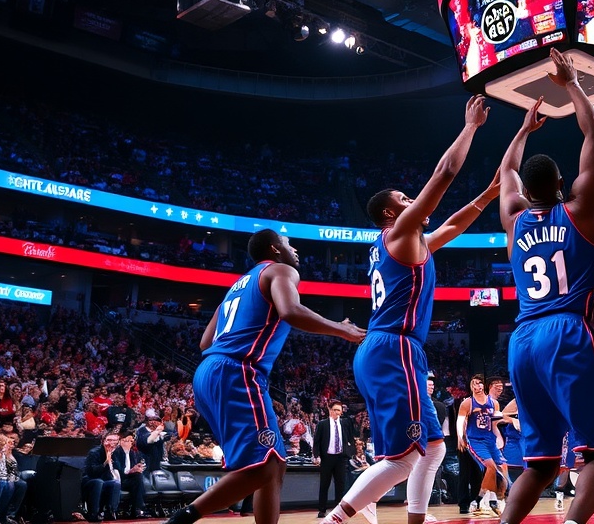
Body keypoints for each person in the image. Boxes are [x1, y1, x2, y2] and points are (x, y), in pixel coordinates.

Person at [323, 96, 497, 524]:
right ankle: (336, 518)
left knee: (433, 448)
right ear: (390, 212)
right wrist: (471, 127)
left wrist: (489, 194)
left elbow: (452, 225)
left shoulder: (409, 242)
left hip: (388, 348)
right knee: (402, 459)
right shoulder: (399, 233)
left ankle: (414, 517)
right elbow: (444, 174)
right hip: (393, 348)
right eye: (405, 198)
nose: (413, 199)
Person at [159, 229, 366, 524]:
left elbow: (205, 342)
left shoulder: (236, 287)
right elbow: (290, 311)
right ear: (275, 249)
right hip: (238, 371)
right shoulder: (280, 270)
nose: (295, 250)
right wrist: (340, 329)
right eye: (289, 244)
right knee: (265, 468)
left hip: (209, 372)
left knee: (274, 464)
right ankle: (181, 519)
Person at [496, 49, 594, 524]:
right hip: (568, 332)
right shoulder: (580, 208)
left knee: (542, 463)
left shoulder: (514, 219)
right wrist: (572, 84)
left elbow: (507, 172)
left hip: (523, 339)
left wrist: (523, 130)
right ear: (563, 182)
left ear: (526, 193)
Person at [458, 375, 508, 516]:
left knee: (503, 468)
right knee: (488, 468)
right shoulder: (468, 403)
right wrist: (460, 437)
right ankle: (480, 500)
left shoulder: (494, 403)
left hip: (490, 440)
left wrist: (499, 438)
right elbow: (461, 422)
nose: (477, 386)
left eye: (480, 383)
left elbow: (494, 424)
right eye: (474, 384)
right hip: (474, 440)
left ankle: (493, 498)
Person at [315, 402, 356, 517]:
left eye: (339, 410)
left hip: (340, 458)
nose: (337, 412)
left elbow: (351, 438)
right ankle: (322, 510)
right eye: (335, 410)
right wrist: (316, 456)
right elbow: (317, 441)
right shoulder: (322, 424)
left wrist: (350, 452)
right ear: (330, 410)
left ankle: (338, 510)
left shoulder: (345, 423)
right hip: (327, 458)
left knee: (340, 485)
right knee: (324, 484)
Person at [83, 433, 124, 522]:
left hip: (105, 479)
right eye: (109, 440)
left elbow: (120, 469)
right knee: (99, 482)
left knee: (115, 483)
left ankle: (111, 512)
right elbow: (92, 472)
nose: (111, 443)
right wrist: (106, 462)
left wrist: (112, 459)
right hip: (91, 479)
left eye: (114, 441)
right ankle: (94, 513)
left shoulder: (115, 452)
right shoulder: (94, 452)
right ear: (103, 441)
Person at [113, 433, 148, 518]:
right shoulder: (116, 453)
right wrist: (131, 471)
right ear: (121, 441)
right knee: (137, 480)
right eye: (129, 441)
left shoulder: (132, 453)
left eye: (132, 441)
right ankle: (138, 508)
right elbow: (117, 470)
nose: (131, 443)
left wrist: (138, 467)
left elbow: (135, 466)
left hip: (129, 479)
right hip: (118, 479)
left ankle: (137, 508)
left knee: (138, 476)